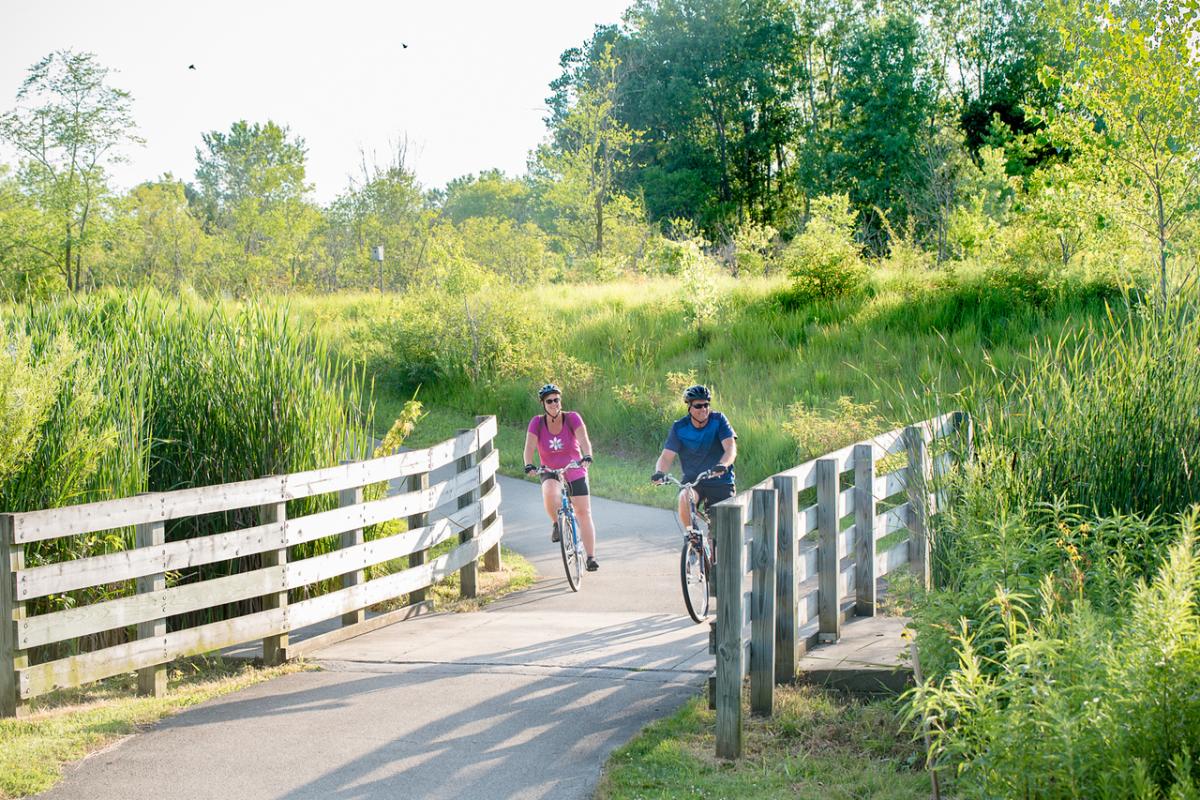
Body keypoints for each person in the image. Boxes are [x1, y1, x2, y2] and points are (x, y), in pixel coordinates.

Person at [523, 383, 600, 572]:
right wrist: (528, 464)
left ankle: (590, 557)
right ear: (543, 404)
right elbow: (529, 448)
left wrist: (587, 455)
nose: (554, 404)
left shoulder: (572, 418)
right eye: (549, 401)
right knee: (549, 491)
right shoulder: (537, 422)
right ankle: (557, 523)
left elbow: (584, 440)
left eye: (556, 399)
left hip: (573, 468)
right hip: (550, 469)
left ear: (561, 400)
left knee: (583, 512)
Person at [651, 385, 737, 530]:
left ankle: (713, 544)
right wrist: (659, 472)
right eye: (698, 406)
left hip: (720, 481)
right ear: (689, 407)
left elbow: (730, 448)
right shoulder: (680, 427)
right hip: (694, 481)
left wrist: (723, 464)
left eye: (706, 405)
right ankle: (692, 537)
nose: (703, 409)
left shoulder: (718, 420)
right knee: (685, 497)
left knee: (720, 532)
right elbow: (666, 456)